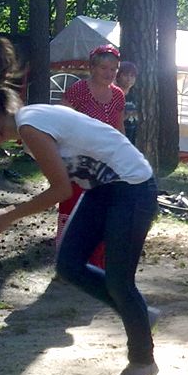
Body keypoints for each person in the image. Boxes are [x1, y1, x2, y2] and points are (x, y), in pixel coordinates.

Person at [0, 38, 160, 375]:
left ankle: (142, 361)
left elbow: (61, 190)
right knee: (69, 265)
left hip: (133, 187)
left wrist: (5, 217)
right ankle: (137, 313)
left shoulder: (31, 127)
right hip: (102, 189)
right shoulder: (30, 125)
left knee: (118, 281)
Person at [59, 44, 126, 268]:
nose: (109, 73)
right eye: (104, 68)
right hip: (77, 160)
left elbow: (119, 128)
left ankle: (97, 263)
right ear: (93, 68)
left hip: (104, 163)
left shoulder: (118, 95)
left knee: (101, 211)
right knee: (72, 208)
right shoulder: (78, 90)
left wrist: (123, 154)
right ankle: (68, 263)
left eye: (113, 69)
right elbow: (61, 119)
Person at [116, 61, 139, 145]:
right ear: (118, 76)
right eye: (125, 75)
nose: (129, 79)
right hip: (117, 139)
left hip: (131, 139)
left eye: (132, 76)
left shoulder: (134, 97)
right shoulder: (113, 95)